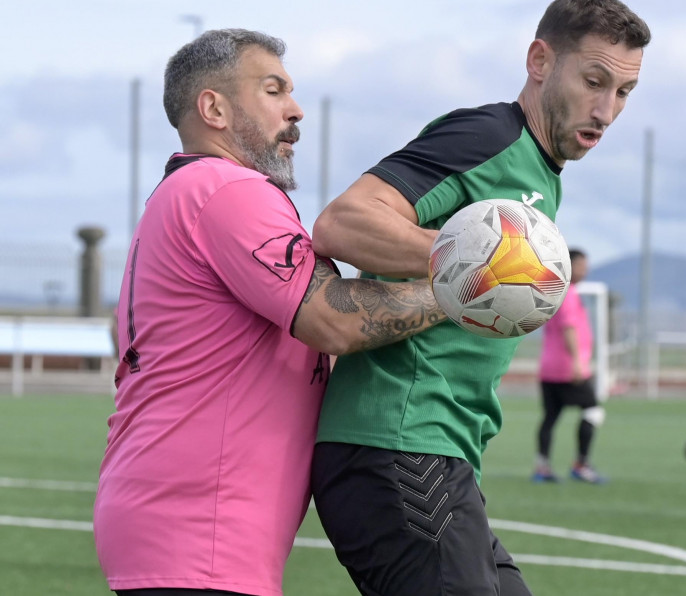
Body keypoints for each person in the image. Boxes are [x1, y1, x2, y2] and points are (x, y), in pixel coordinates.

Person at [309, 2, 650, 594]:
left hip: (442, 456)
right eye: (594, 82)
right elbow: (344, 223)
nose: (607, 110)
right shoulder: (489, 136)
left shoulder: (541, 175)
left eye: (624, 91)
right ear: (540, 61)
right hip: (396, 445)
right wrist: (486, 261)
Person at [93, 29, 446, 596]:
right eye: (274, 90)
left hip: (183, 525)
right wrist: (465, 291)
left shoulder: (187, 191)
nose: (296, 109)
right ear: (214, 108)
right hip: (199, 531)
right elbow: (335, 320)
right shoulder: (225, 189)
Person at [532, 248, 607, 484]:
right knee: (593, 410)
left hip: (548, 368)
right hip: (567, 369)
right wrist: (577, 362)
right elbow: (569, 328)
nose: (586, 270)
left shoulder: (554, 291)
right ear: (569, 266)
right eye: (582, 266)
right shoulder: (568, 293)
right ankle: (581, 465)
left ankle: (542, 467)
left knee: (550, 417)